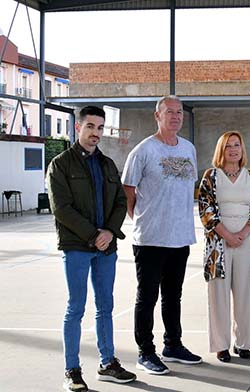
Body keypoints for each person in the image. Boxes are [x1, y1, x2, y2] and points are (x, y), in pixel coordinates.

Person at [48, 106, 136, 391]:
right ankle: (72, 370)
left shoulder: (108, 165)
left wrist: (109, 232)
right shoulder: (60, 165)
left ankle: (107, 362)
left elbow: (120, 203)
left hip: (106, 248)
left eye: (100, 128)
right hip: (77, 246)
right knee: (76, 308)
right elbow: (61, 208)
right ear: (78, 127)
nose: (95, 133)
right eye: (90, 127)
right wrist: (93, 234)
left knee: (105, 306)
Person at [121, 95, 202, 375]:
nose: (176, 116)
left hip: (180, 238)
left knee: (173, 296)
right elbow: (128, 191)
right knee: (147, 297)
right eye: (170, 112)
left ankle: (173, 345)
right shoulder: (143, 151)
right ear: (157, 115)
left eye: (179, 112)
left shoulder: (189, 149)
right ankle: (145, 352)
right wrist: (144, 221)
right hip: (151, 240)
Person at [198, 131, 250, 363]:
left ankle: (244, 343)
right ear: (221, 150)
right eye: (228, 146)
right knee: (218, 295)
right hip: (219, 243)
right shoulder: (211, 176)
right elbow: (205, 209)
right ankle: (221, 345)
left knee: (246, 294)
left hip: (246, 242)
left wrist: (243, 234)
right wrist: (227, 235)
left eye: (237, 145)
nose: (233, 149)